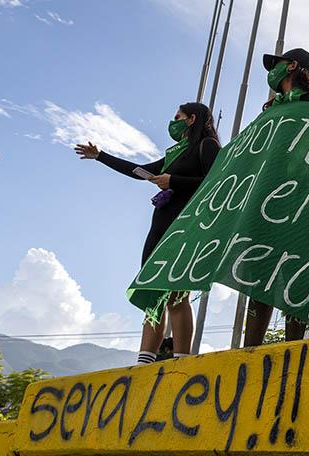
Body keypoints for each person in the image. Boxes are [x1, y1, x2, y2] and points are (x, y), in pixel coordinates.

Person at [74, 103, 220, 363]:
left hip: (185, 226)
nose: (172, 122)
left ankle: (180, 359)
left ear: (192, 119)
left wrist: (173, 181)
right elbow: (138, 171)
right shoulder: (175, 153)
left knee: (176, 294)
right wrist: (100, 156)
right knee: (152, 293)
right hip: (159, 226)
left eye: (177, 117)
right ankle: (145, 360)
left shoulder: (206, 145)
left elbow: (216, 181)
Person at [242, 48, 309, 346]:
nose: (271, 72)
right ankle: (249, 351)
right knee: (258, 275)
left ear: (293, 66)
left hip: (305, 204)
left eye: (276, 64)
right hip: (267, 202)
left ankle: (294, 349)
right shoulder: (271, 110)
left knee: (297, 274)